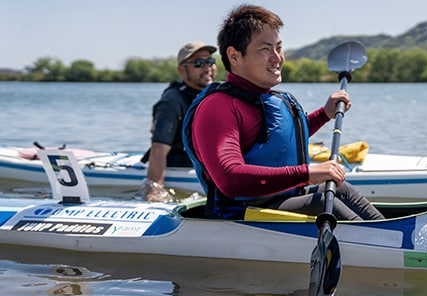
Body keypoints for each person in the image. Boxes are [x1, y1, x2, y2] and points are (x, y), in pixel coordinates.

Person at [184, 4, 384, 220]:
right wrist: (307, 173)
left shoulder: (264, 98)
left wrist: (324, 114)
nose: (276, 57)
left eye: (278, 48)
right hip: (243, 214)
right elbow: (230, 179)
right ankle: (389, 247)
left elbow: (280, 142)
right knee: (325, 204)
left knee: (341, 188)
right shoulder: (217, 107)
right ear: (234, 56)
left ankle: (393, 234)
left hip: (280, 200)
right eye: (265, 49)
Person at [142, 41, 217, 202]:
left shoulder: (215, 95)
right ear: (182, 70)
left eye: (210, 62)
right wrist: (154, 191)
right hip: (177, 166)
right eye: (199, 63)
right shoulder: (171, 102)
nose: (207, 68)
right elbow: (158, 150)